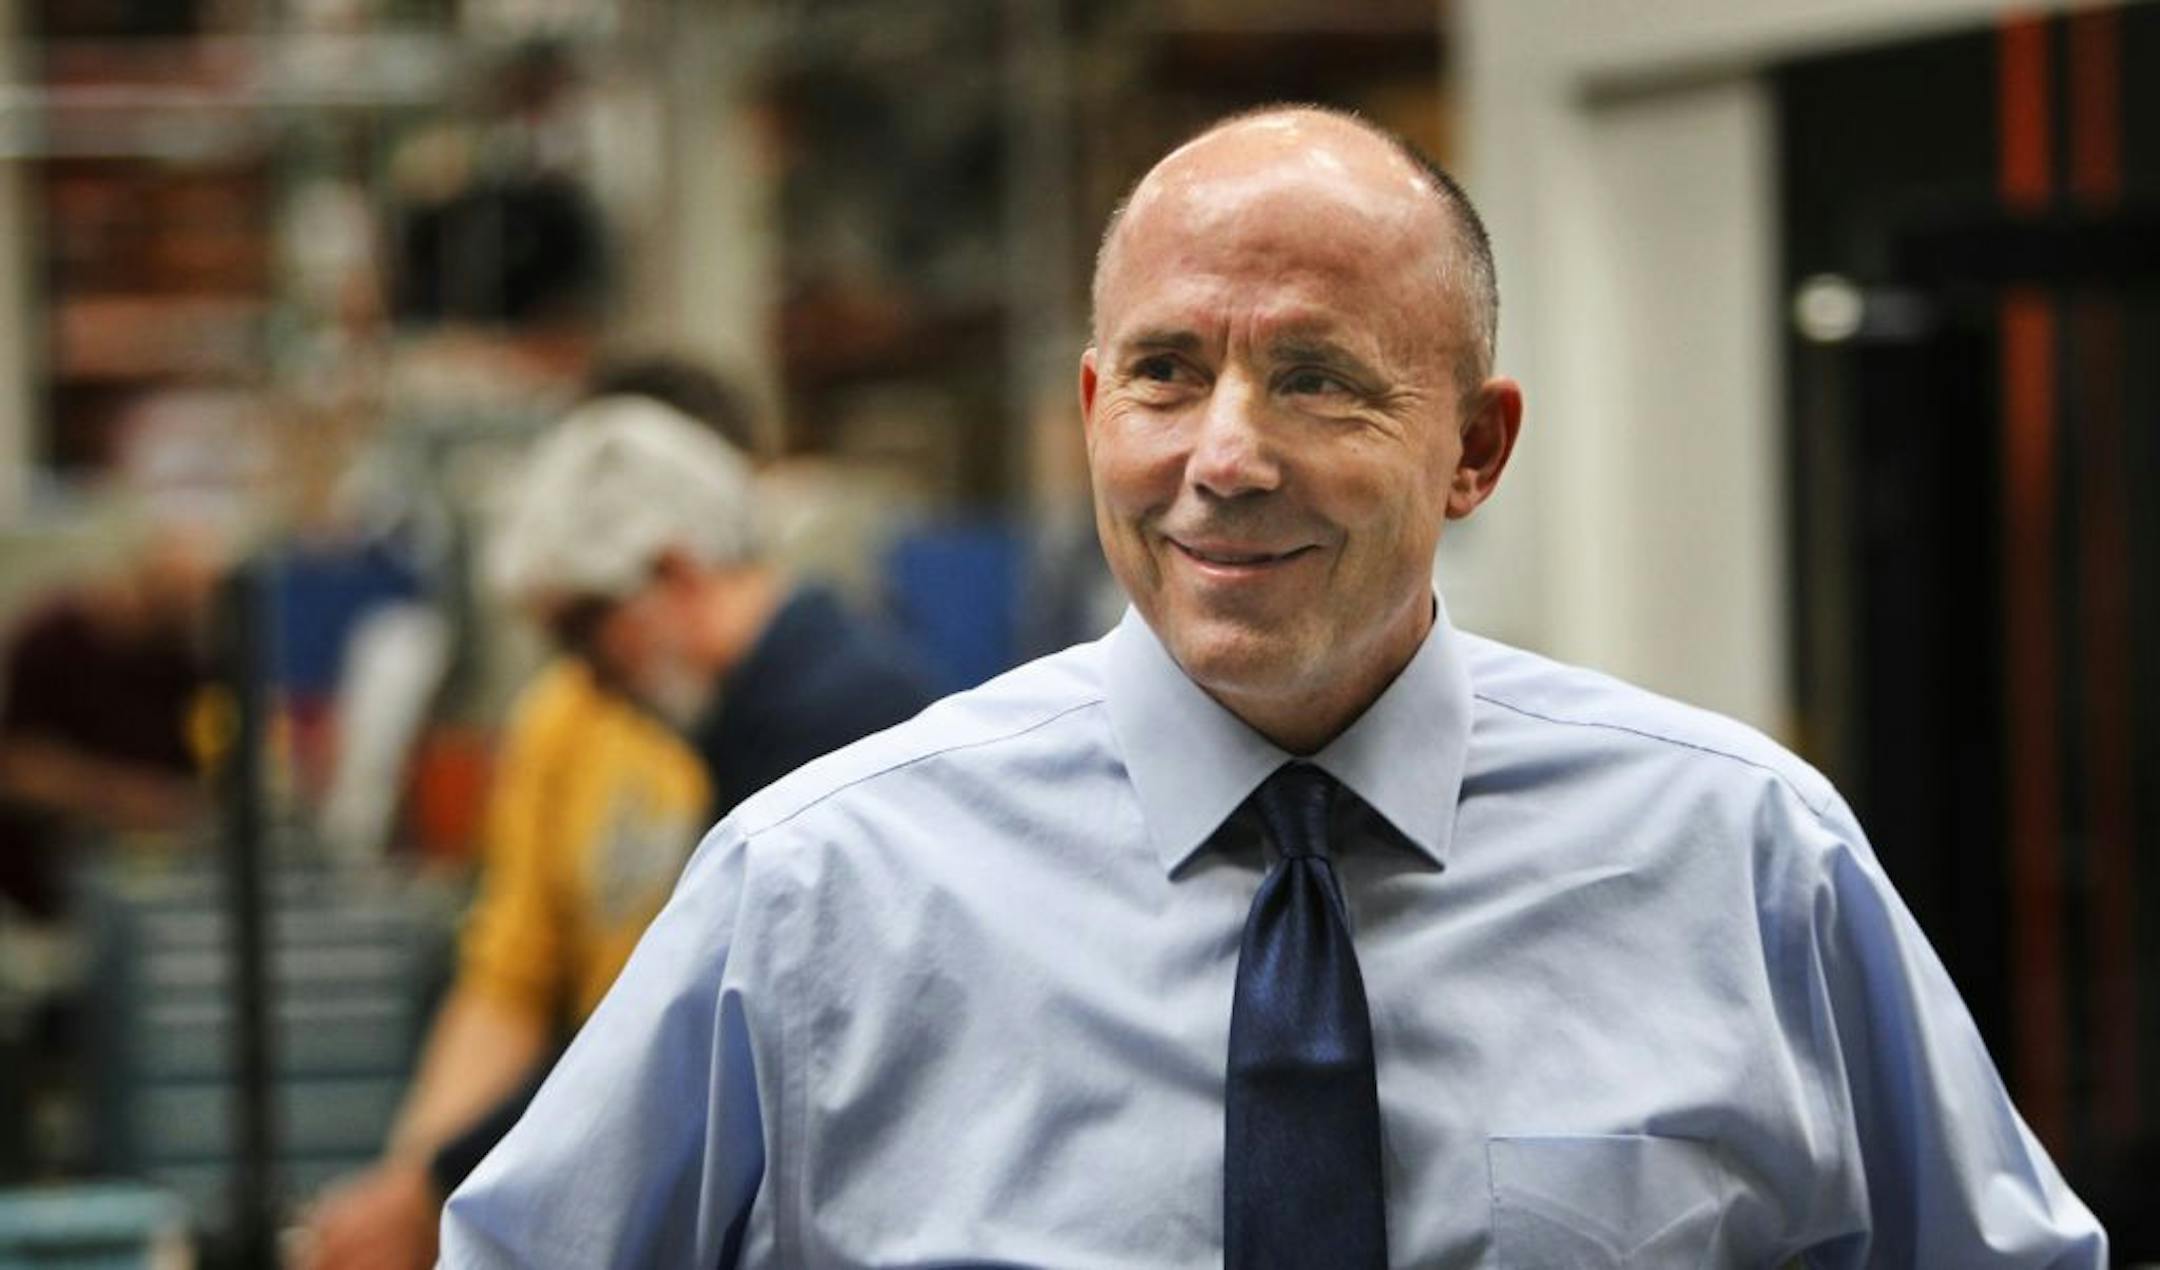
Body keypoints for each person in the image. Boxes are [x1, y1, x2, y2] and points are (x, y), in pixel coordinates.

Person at [440, 106, 2104, 1267]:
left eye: (1317, 379)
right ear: (1093, 410)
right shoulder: (819, 896)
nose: (1223, 458)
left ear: (1477, 448)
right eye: (1166, 373)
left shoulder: (1742, 863)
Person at [300, 376, 930, 1270]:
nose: (586, 678)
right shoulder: (772, 709)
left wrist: (445, 1185)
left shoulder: (823, 730)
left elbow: (685, 1037)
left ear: (673, 574)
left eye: (583, 632)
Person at [0, 531, 217, 918]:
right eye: (180, 600)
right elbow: (17, 769)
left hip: (161, 881)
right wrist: (119, 798)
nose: (191, 614)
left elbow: (213, 763)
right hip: (47, 883)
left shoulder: (185, 658)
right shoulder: (54, 642)